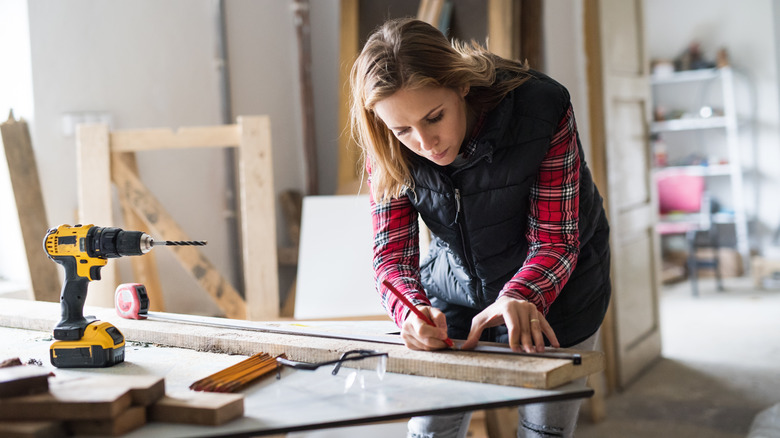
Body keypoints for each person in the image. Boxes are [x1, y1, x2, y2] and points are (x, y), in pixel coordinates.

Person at [350, 17, 611, 438]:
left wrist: (521, 295)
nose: (424, 142)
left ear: (461, 85)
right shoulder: (388, 144)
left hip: (560, 287)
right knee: (430, 428)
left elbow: (557, 240)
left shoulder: (543, 108)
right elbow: (391, 256)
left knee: (544, 430)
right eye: (403, 130)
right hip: (458, 283)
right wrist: (411, 312)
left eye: (434, 117)